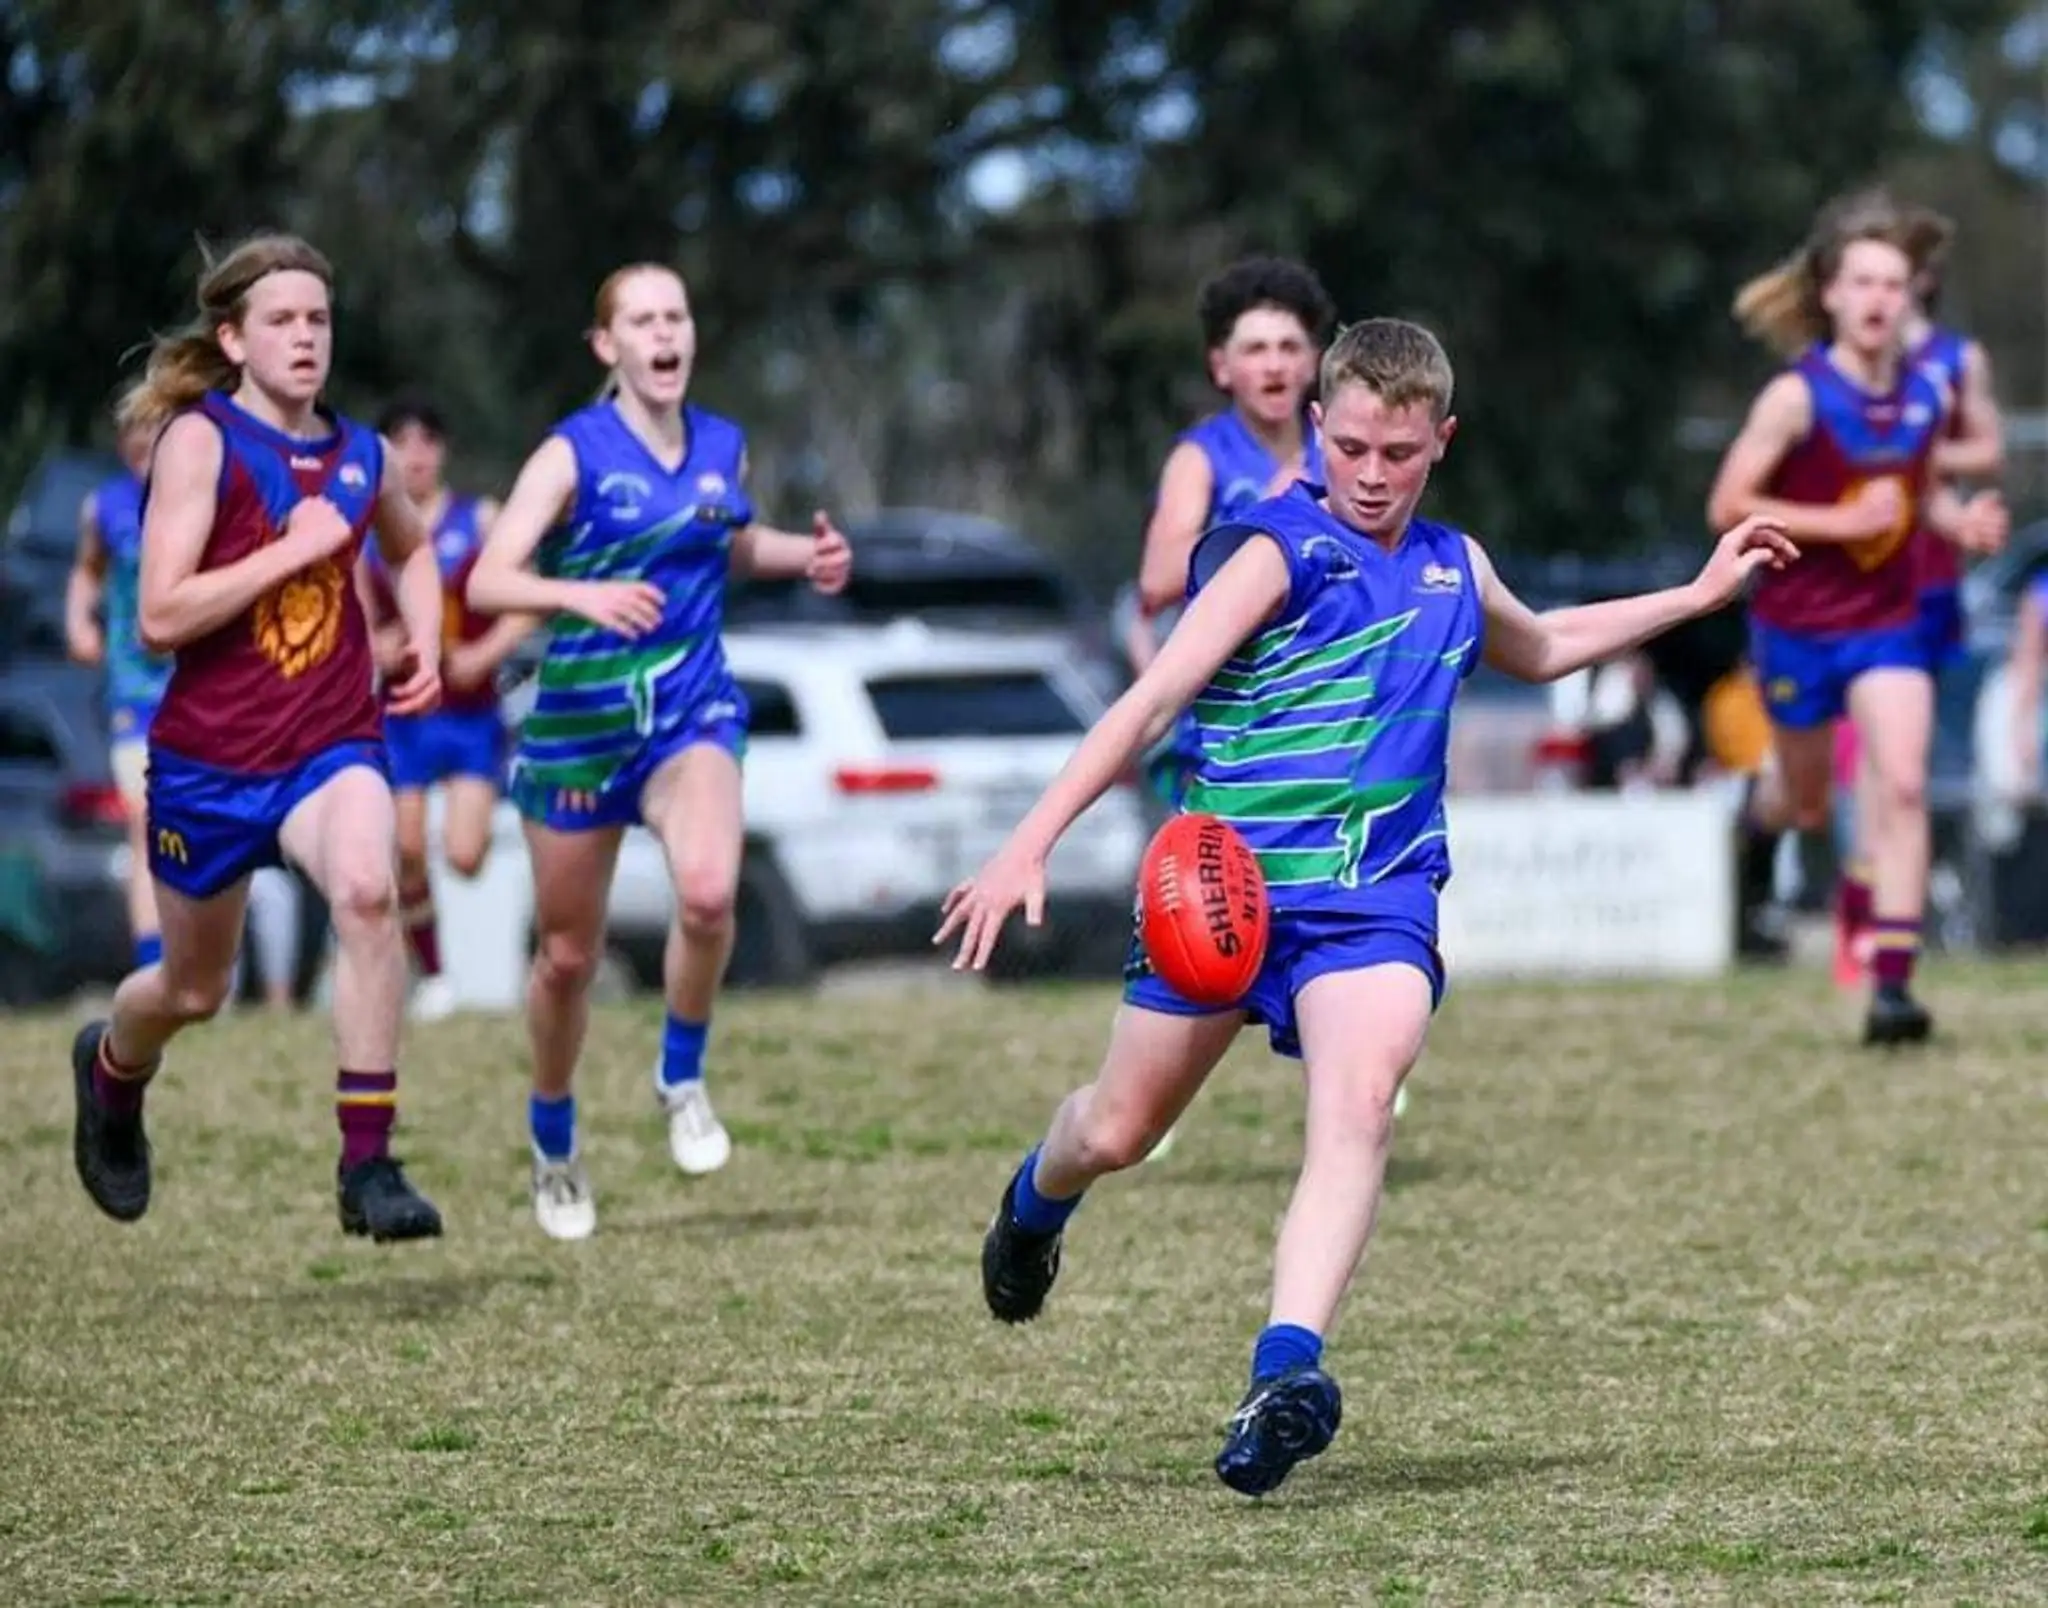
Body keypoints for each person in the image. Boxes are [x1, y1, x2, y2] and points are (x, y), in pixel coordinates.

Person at [935, 317, 1795, 1497]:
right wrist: (1026, 846)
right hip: (1224, 891)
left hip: (1373, 904)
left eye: (1397, 453)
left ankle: (1282, 1374)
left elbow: (1545, 645)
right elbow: (1148, 705)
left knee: (1358, 1109)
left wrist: (1696, 594)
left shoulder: (1453, 568)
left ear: (1440, 439)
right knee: (1116, 1131)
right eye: (1348, 449)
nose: (1372, 475)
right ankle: (1036, 1202)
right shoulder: (1271, 552)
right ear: (1317, 432)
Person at [68, 231, 447, 1243]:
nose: (305, 336)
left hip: (331, 741)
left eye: (318, 318)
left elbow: (412, 552)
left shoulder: (362, 455)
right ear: (234, 339)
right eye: (281, 320)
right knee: (195, 989)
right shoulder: (200, 443)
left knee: (367, 892)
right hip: (210, 764)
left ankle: (368, 1165)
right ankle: (111, 1072)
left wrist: (427, 639)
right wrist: (291, 552)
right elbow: (159, 616)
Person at [467, 262, 852, 1242]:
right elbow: (488, 581)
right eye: (641, 321)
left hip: (691, 713)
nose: (663, 334)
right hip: (579, 732)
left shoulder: (723, 444)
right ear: (608, 346)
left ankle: (680, 1074)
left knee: (710, 896)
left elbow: (725, 542)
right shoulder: (571, 452)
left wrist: (803, 556)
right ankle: (553, 1137)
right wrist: (578, 595)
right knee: (566, 959)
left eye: (674, 316)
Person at [1710, 187, 2005, 1045]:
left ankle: (1893, 991)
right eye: (1864, 282)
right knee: (1807, 804)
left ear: (1912, 297)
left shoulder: (1926, 392)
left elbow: (1916, 491)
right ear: (1831, 295)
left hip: (1888, 622)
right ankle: (1757, 824)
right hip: (1797, 626)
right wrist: (1840, 524)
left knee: (1902, 785)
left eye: (1894, 284)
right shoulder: (1796, 397)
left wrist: (1959, 523)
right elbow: (1727, 504)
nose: (1880, 299)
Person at [1124, 256, 1337, 1162]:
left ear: (1316, 359)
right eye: (1255, 348)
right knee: (1201, 912)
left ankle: (1349, 1052)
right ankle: (1150, 1080)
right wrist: (1263, 527)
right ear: (1222, 366)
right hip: (1219, 729)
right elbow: (1155, 577)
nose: (1275, 363)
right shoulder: (1204, 457)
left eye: (1290, 345)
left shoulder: (1346, 450)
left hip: (1322, 714)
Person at [1830, 205, 2006, 988]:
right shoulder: (1836, 365)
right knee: (1855, 760)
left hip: (1927, 582)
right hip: (1848, 584)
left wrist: (1916, 446)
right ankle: (1861, 892)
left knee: (1901, 763)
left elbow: (1989, 449)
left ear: (1922, 280)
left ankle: (1880, 920)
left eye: (1901, 272)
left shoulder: (1955, 361)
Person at [358, 396, 532, 1022]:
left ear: (443, 451)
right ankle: (433, 976)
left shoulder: (478, 519)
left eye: (426, 442)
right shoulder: (367, 532)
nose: (415, 456)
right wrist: (375, 647)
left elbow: (527, 602)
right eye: (401, 443)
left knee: (463, 854)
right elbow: (353, 622)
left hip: (469, 714)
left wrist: (483, 654)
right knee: (405, 849)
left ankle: (448, 953)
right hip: (404, 712)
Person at [65, 413, 173, 972]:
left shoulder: (208, 499)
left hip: (200, 688)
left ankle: (205, 959)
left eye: (154, 428)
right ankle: (154, 962)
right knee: (145, 822)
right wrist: (79, 623)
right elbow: (87, 571)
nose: (143, 441)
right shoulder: (105, 507)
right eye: (133, 430)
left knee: (200, 823)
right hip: (135, 693)